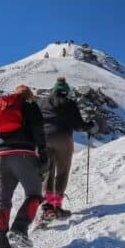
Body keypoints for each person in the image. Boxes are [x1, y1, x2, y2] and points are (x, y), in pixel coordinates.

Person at [0, 85, 48, 248]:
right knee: (34, 194)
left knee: (3, 199)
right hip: (24, 155)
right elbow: (38, 130)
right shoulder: (30, 107)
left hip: (2, 159)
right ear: (29, 96)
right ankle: (19, 230)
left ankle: (0, 243)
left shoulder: (0, 110)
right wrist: (43, 152)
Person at [37, 77, 93, 221]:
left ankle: (47, 207)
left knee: (47, 171)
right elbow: (78, 124)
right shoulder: (69, 103)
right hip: (63, 139)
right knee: (62, 171)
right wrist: (89, 126)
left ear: (54, 89)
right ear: (66, 91)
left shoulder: (42, 102)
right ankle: (57, 206)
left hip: (44, 139)